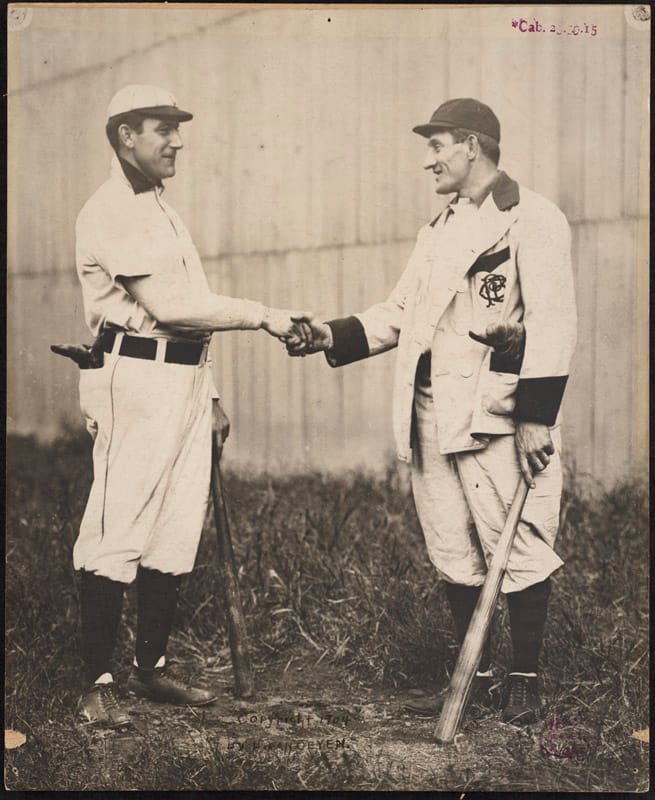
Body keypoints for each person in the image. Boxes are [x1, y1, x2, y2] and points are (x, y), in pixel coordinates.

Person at [288, 98, 577, 724]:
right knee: (451, 545)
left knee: (518, 541)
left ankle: (524, 680)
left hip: (493, 412)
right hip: (428, 413)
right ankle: (473, 675)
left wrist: (534, 416)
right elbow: (398, 316)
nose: (429, 160)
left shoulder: (534, 218)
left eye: (438, 145)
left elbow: (554, 325)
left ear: (472, 145)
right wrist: (329, 336)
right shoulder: (438, 229)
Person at [71, 84, 309, 727]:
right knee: (116, 528)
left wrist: (211, 397)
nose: (176, 140)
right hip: (134, 380)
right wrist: (264, 316)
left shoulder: (161, 208)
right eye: (161, 128)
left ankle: (149, 671)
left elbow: (191, 319)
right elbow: (171, 309)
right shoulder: (111, 208)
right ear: (125, 135)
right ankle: (94, 681)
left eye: (178, 128)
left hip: (182, 381)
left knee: (174, 531)